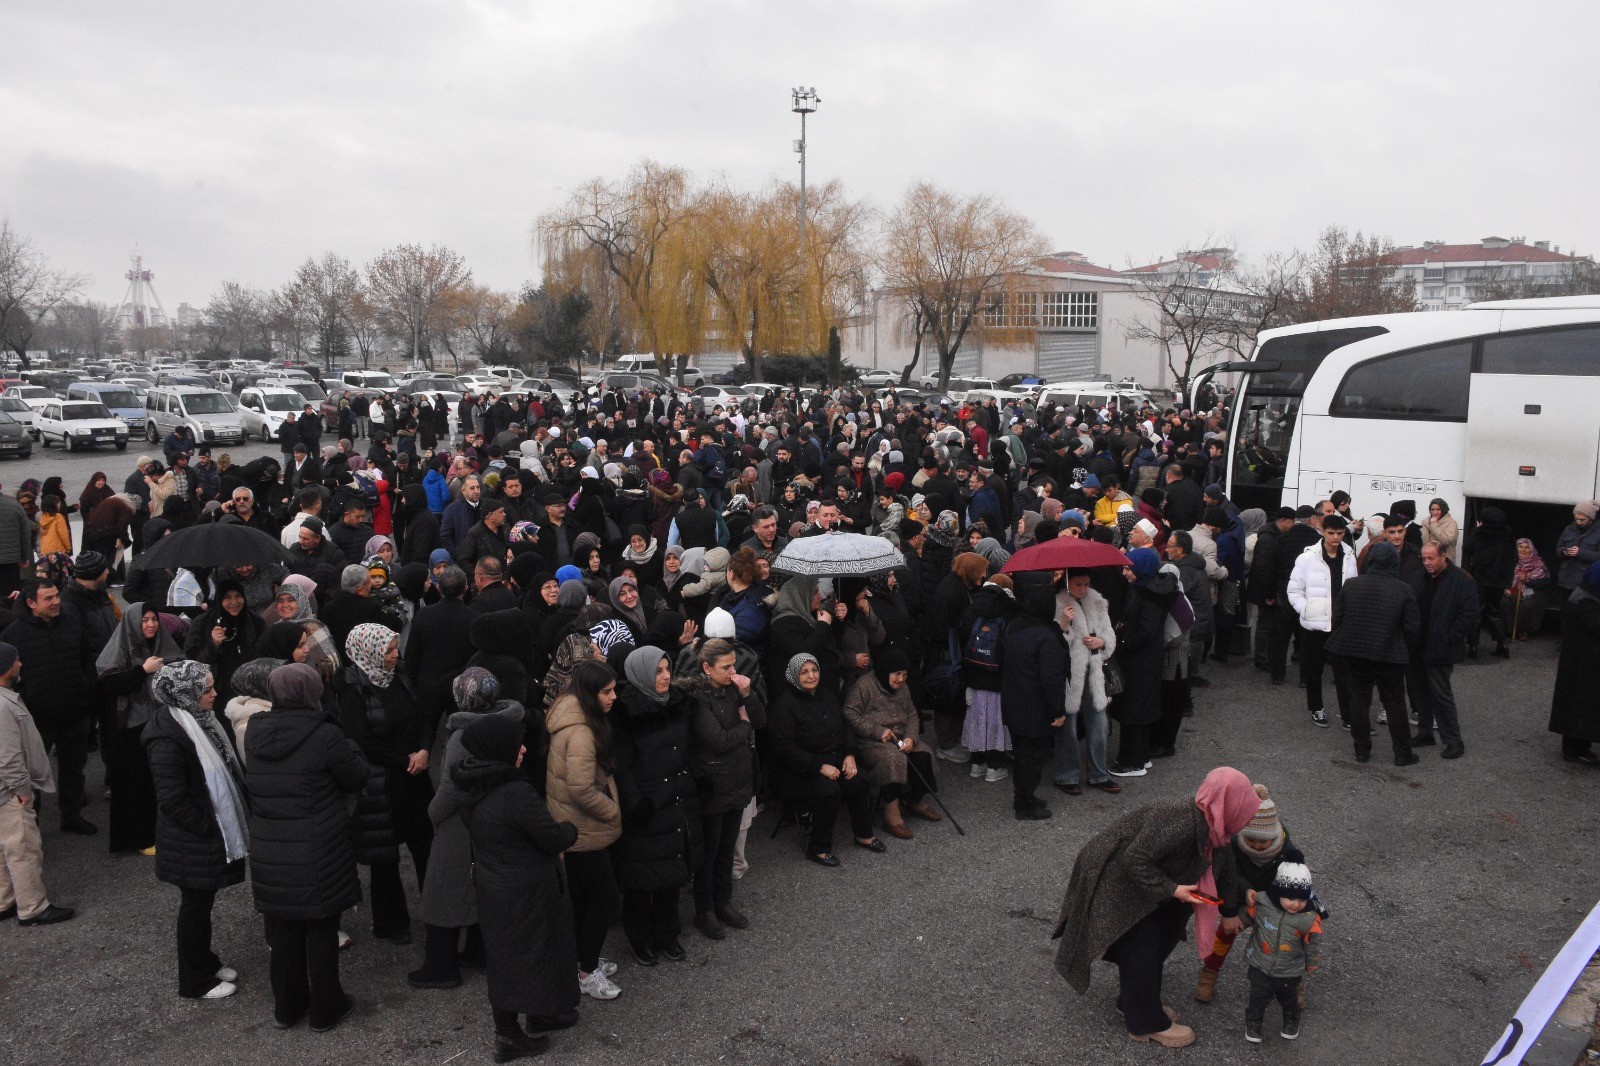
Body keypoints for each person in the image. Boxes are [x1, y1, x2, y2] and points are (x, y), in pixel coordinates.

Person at [1052, 766, 1262, 1049]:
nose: (1244, 817)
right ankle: (1145, 1024)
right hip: (1116, 878)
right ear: (1228, 804)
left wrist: (1229, 911)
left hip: (1146, 880)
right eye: (1243, 808)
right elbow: (1134, 859)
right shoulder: (1182, 820)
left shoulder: (1215, 826)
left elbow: (1224, 868)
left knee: (1163, 935)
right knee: (1143, 945)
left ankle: (1133, 1003)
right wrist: (1171, 889)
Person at [246, 663, 370, 1032]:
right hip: (319, 846)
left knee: (283, 931)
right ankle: (326, 1008)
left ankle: (287, 1007)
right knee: (320, 930)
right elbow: (357, 774)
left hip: (271, 849)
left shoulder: (256, 732)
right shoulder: (325, 735)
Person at [452, 713, 580, 1060]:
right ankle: (510, 1035)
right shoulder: (515, 793)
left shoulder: (471, 785)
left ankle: (537, 1014)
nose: (523, 749)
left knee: (508, 955)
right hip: (527, 887)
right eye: (515, 744)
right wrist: (570, 829)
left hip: (495, 883)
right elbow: (553, 836)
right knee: (531, 953)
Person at [145, 661, 249, 1000]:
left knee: (200, 905)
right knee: (194, 906)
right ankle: (195, 981)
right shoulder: (167, 737)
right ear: (184, 693)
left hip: (197, 836)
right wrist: (210, 828)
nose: (214, 693)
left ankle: (205, 962)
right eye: (206, 689)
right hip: (191, 839)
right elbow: (172, 801)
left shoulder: (194, 720)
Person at [409, 669, 517, 990]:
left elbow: (449, 790)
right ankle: (477, 952)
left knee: (443, 892)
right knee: (481, 887)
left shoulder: (461, 736)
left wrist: (432, 813)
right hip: (490, 819)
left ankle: (441, 966)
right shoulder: (507, 722)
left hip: (458, 826)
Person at [612, 646, 699, 966]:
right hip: (648, 804)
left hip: (676, 797)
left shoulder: (678, 702)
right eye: (657, 672)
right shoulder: (625, 712)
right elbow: (622, 766)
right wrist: (636, 805)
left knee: (672, 869)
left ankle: (667, 933)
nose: (664, 677)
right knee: (641, 878)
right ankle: (640, 939)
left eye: (667, 670)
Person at [545, 659, 624, 1000]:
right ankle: (586, 970)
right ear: (590, 694)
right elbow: (580, 789)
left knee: (584, 900)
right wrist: (612, 810)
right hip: (582, 830)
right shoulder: (580, 732)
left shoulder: (576, 717)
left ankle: (581, 958)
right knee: (604, 900)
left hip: (574, 827)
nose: (614, 697)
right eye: (606, 692)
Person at [2, 580, 98, 834]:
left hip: (74, 712)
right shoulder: (13, 635)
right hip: (36, 719)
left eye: (57, 596)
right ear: (31, 603)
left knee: (74, 768)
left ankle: (72, 815)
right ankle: (33, 823)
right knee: (33, 774)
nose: (57, 602)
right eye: (49, 598)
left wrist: (86, 688)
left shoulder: (72, 623)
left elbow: (88, 657)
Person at [767, 652, 881, 866]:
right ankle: (818, 848)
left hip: (835, 760)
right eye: (804, 672)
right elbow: (784, 749)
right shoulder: (784, 706)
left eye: (815, 670)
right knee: (828, 789)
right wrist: (818, 766)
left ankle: (863, 834)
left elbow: (846, 726)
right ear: (793, 675)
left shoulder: (826, 695)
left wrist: (849, 755)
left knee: (857, 781)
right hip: (798, 771)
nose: (811, 676)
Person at [685, 638, 764, 940]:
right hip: (714, 785)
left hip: (738, 781)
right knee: (709, 851)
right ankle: (704, 910)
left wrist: (747, 696)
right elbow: (717, 740)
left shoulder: (735, 688)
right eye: (726, 667)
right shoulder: (698, 697)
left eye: (734, 665)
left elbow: (761, 720)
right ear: (707, 668)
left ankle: (723, 902)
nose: (732, 672)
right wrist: (745, 727)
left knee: (726, 849)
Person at [95, 604, 186, 854]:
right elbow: (111, 684)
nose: (150, 625)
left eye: (154, 619)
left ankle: (163, 833)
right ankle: (140, 839)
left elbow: (179, 667)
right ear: (132, 623)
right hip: (130, 729)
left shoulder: (162, 644)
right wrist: (142, 670)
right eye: (144, 620)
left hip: (161, 722)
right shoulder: (120, 647)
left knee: (162, 779)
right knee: (137, 785)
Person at [0, 641, 74, 926]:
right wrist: (22, 791)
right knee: (23, 849)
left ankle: (5, 901)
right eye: (16, 660)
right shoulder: (4, 705)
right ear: (6, 666)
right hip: (9, 793)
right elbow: (8, 757)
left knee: (6, 849)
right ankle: (33, 907)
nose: (20, 664)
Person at [842, 647, 938, 840]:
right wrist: (877, 730)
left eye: (904, 674)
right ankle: (891, 812)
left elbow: (912, 714)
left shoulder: (903, 688)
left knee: (924, 753)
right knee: (891, 758)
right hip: (871, 740)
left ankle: (915, 799)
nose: (900, 679)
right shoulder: (865, 685)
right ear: (886, 671)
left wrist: (911, 737)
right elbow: (849, 713)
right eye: (896, 674)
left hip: (900, 735)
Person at [999, 587, 1068, 821]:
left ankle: (1025, 798)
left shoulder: (1015, 626)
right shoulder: (1046, 636)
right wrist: (1058, 711)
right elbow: (1052, 679)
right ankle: (1025, 804)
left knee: (1022, 756)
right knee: (1033, 759)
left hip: (1014, 702)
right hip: (1035, 709)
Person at [1108, 549, 1176, 777]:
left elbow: (1146, 630)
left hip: (1140, 661)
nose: (1124, 572)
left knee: (1133, 710)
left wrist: (1124, 642)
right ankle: (1142, 756)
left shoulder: (1149, 595)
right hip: (1145, 660)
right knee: (1140, 708)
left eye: (1128, 568)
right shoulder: (1151, 589)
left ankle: (1132, 761)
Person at [1409, 542, 1479, 761]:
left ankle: (1453, 741)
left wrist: (1450, 637)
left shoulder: (1462, 580)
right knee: (1419, 692)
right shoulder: (1419, 577)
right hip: (1418, 647)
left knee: (1441, 695)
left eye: (1431, 558)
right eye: (1424, 559)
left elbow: (1470, 614)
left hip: (1441, 649)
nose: (1427, 563)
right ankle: (1425, 732)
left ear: (1443, 557)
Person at [1242, 858, 1323, 1044]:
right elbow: (1247, 916)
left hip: (1290, 969)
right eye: (1290, 898)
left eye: (1302, 899)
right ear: (1277, 893)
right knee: (1257, 999)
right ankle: (1253, 1024)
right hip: (1260, 964)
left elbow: (1313, 943)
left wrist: (1311, 963)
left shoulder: (1309, 919)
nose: (1295, 904)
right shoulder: (1263, 904)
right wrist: (1236, 921)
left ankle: (1292, 1022)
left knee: (1290, 1000)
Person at [1286, 515, 1356, 728]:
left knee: (1343, 673)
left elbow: (1353, 588)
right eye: (1331, 533)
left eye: (1340, 533)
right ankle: (1317, 708)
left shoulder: (1349, 555)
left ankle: (1348, 715)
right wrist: (1305, 610)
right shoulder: (1307, 558)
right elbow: (1294, 590)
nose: (1335, 538)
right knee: (1313, 670)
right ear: (1322, 531)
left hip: (1341, 624)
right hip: (1314, 624)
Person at [1055, 568, 1119, 795]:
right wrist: (1063, 624)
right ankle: (1067, 775)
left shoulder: (1098, 602)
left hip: (1094, 671)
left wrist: (1100, 641)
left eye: (1086, 584)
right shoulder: (1059, 602)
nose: (1083, 588)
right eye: (1078, 584)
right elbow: (1055, 643)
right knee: (1068, 728)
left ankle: (1099, 773)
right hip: (1070, 673)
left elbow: (1110, 634)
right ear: (1068, 582)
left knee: (1099, 724)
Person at [956, 574, 1017, 782]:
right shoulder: (1008, 610)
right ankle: (994, 766)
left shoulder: (973, 608)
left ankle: (976, 764)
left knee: (976, 719)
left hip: (973, 675)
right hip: (998, 677)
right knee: (996, 721)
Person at [1549, 560, 1600, 766]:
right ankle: (1574, 749)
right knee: (1580, 708)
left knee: (1581, 707)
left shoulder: (1586, 594)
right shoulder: (1586, 601)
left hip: (1581, 661)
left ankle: (1580, 746)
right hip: (1582, 663)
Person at [184, 579, 266, 704]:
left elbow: (264, 656)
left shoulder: (256, 622)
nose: (234, 602)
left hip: (251, 692)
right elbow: (192, 664)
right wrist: (213, 644)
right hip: (217, 694)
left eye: (238, 596)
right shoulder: (202, 623)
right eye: (227, 597)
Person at [1463, 506, 1514, 660]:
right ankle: (1502, 644)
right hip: (1499, 581)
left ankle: (1472, 646)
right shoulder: (1508, 534)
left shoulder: (1480, 533)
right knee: (1494, 612)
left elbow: (1467, 548)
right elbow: (1513, 558)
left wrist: (1475, 530)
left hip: (1480, 579)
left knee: (1476, 611)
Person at [1555, 500, 1600, 606]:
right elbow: (1558, 549)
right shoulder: (1569, 529)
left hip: (1585, 583)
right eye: (1576, 519)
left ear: (1591, 518)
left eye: (1582, 520)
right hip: (1565, 579)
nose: (1579, 522)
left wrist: (1580, 553)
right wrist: (1564, 551)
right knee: (1564, 611)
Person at [1506, 538, 1552, 640]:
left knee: (1528, 605)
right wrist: (1506, 589)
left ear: (1532, 549)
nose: (1523, 550)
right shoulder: (1510, 562)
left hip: (1533, 591)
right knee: (1506, 601)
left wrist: (1527, 580)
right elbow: (1503, 578)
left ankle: (1524, 631)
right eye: (1520, 547)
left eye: (1527, 547)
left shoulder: (1539, 565)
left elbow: (1543, 583)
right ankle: (1510, 629)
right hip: (1514, 590)